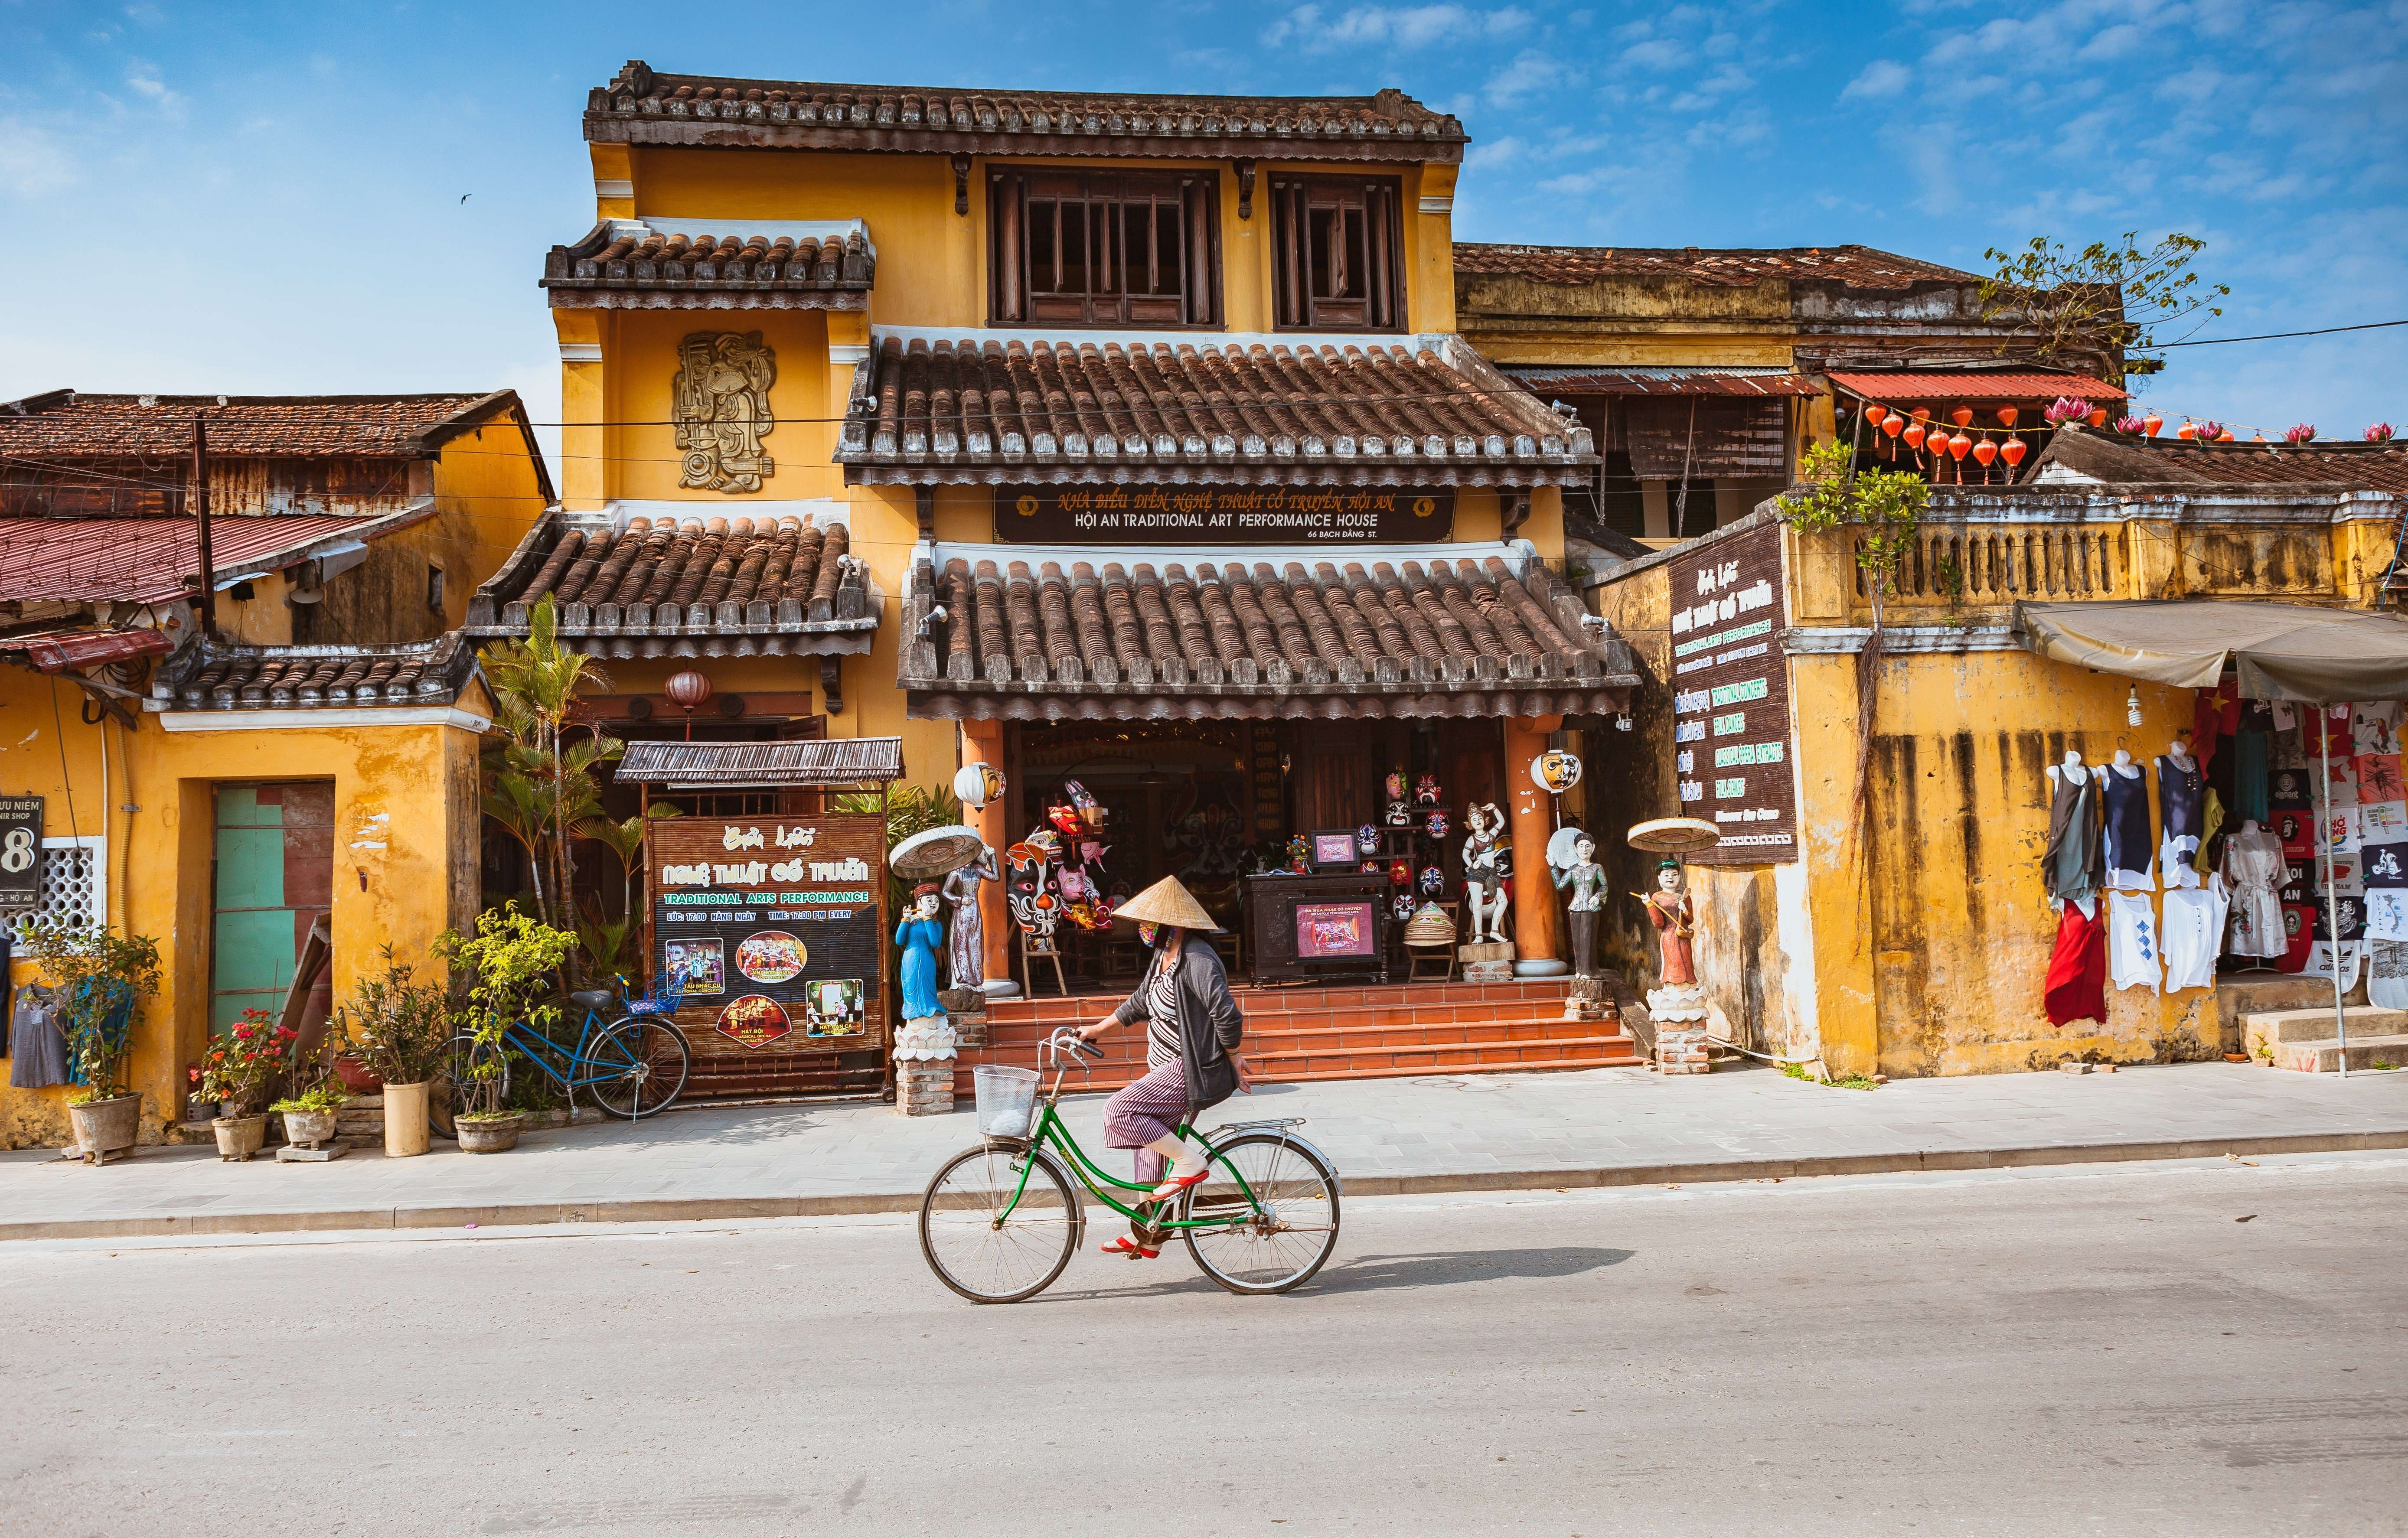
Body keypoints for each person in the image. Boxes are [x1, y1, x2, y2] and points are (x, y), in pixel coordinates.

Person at [1079, 875, 1250, 1259]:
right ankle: (1147, 1235)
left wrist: (1234, 1055)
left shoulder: (1198, 958)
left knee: (1120, 1110)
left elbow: (1227, 1014)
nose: (1143, 929)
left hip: (1188, 1069)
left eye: (1148, 923)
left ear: (1172, 924)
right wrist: (1096, 1030)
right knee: (1148, 1154)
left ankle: (1191, 1161)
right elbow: (1139, 1003)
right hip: (1163, 1068)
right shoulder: (1163, 955)